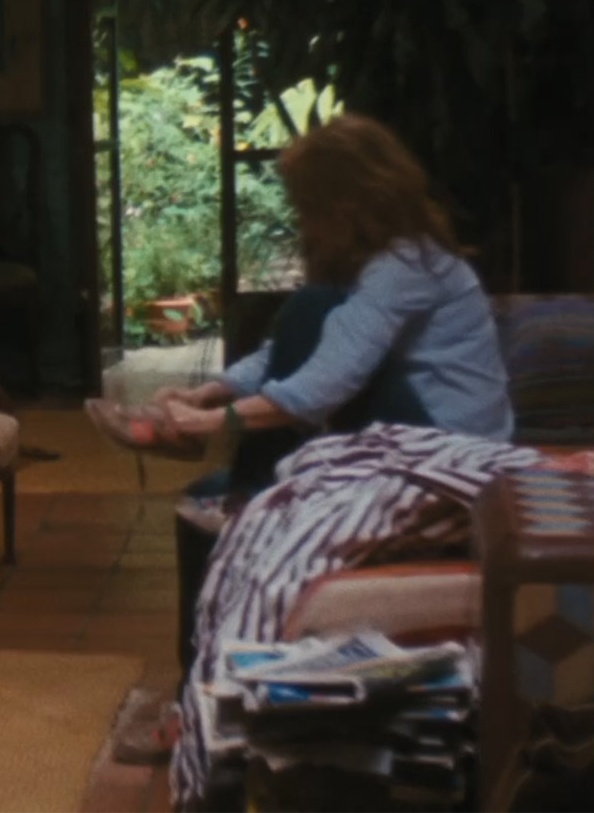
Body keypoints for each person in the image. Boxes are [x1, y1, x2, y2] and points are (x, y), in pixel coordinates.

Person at [97, 112, 515, 765]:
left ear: (347, 207)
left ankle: (244, 490)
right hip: (392, 431)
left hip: (445, 450)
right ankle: (194, 692)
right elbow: (285, 357)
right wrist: (209, 393)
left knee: (311, 310)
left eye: (308, 210)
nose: (302, 224)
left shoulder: (408, 266)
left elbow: (325, 382)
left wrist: (213, 424)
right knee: (198, 506)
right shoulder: (371, 265)